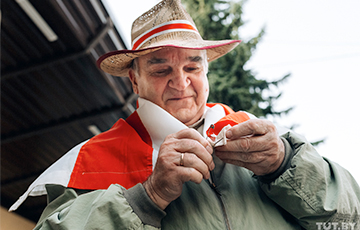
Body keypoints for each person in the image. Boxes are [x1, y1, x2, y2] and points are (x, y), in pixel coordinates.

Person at [11, 0, 360, 229]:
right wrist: (148, 196)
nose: (181, 83)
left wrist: (285, 165)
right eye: (161, 69)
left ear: (206, 73)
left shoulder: (260, 138)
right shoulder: (94, 158)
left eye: (193, 66)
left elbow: (350, 217)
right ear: (135, 79)